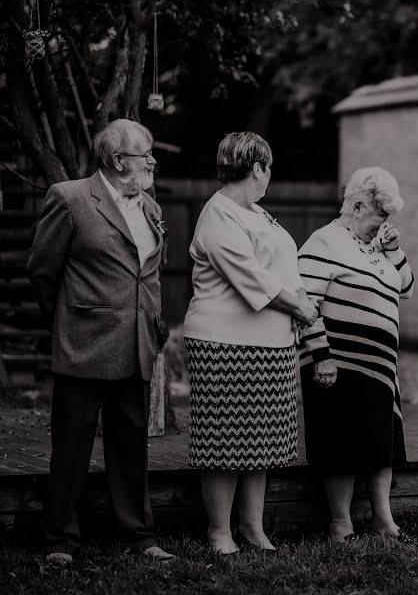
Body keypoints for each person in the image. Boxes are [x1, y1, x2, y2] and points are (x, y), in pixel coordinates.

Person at [27, 118, 175, 564]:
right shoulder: (70, 198)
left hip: (136, 345)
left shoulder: (149, 206)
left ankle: (138, 536)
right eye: (144, 153)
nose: (152, 160)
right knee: (71, 447)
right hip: (83, 344)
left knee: (132, 446)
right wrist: (70, 321)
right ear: (116, 160)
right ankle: (59, 541)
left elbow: (149, 270)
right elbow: (42, 269)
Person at [182, 132, 318, 554]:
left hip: (272, 344)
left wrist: (302, 300)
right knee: (225, 439)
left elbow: (285, 266)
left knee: (260, 441)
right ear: (256, 167)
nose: (269, 176)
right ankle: (220, 530)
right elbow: (252, 280)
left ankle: (253, 527)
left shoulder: (258, 213)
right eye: (268, 168)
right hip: (224, 343)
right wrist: (299, 307)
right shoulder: (219, 216)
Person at [297, 166, 415, 542]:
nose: (384, 223)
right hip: (336, 363)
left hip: (380, 368)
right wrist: (321, 355)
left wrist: (394, 250)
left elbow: (407, 287)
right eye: (380, 215)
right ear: (358, 205)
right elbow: (305, 303)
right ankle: (340, 524)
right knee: (339, 444)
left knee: (383, 443)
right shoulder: (323, 242)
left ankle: (384, 520)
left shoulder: (379, 246)